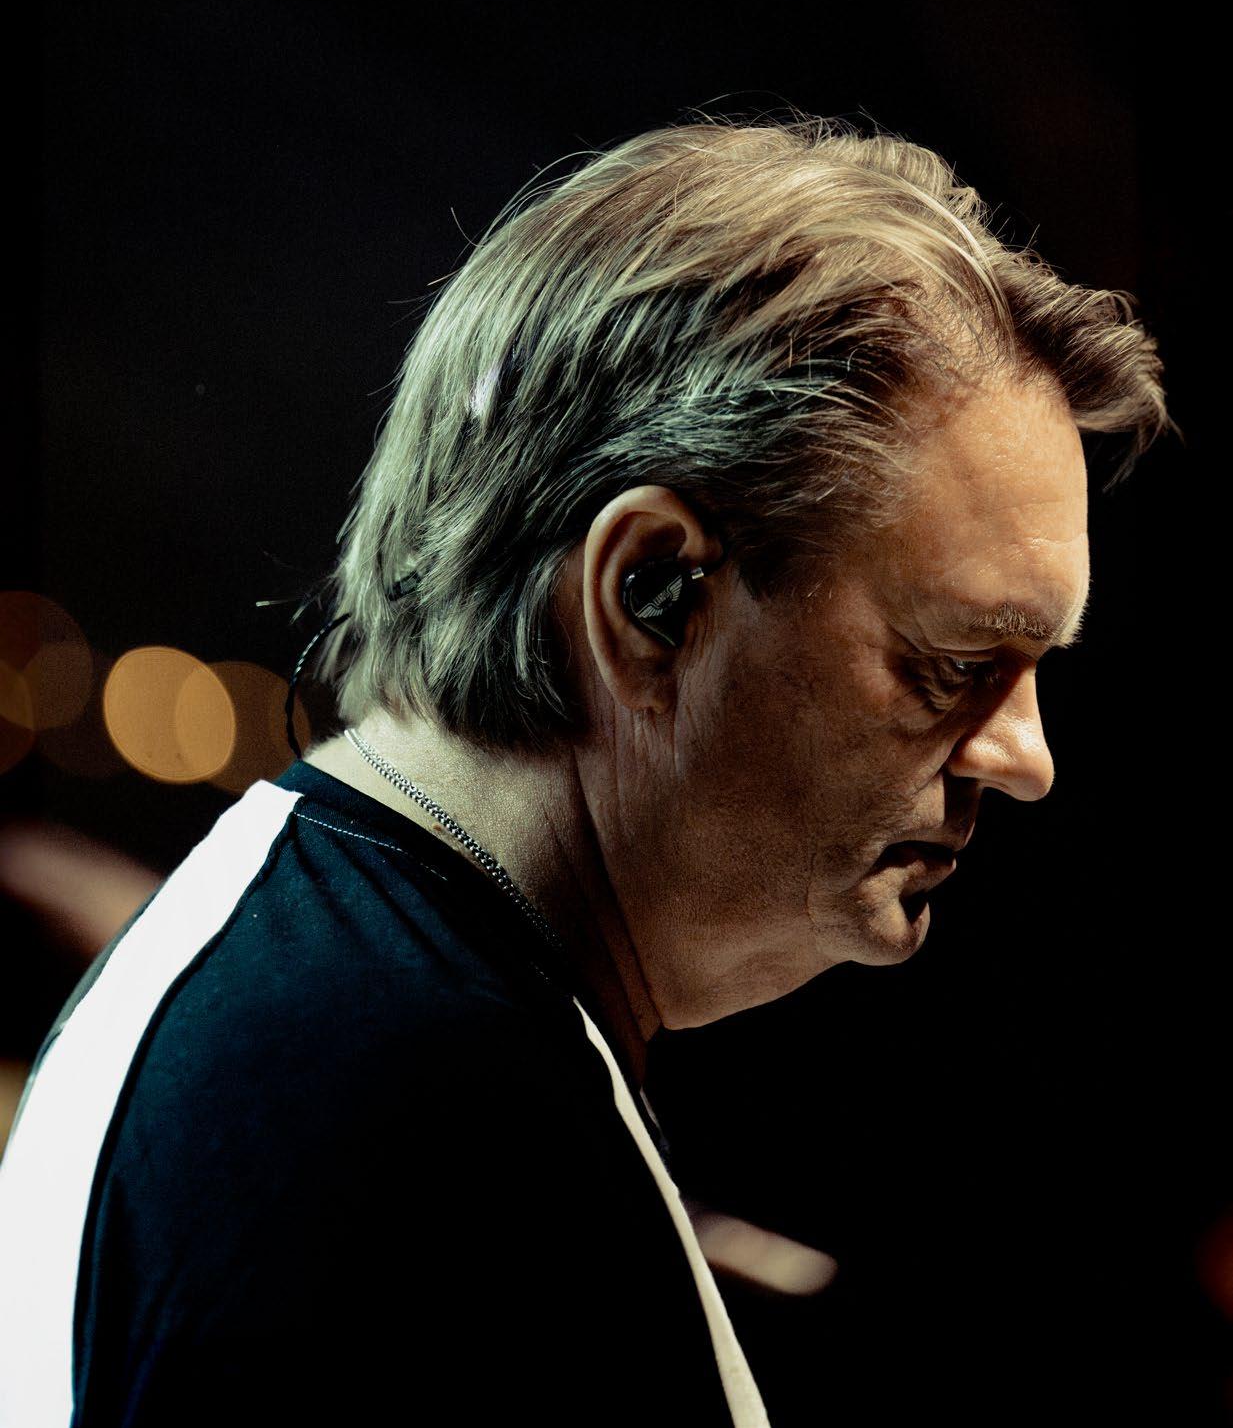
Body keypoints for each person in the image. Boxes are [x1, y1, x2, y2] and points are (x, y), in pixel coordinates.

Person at [0, 112, 1168, 1427]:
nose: (1026, 761)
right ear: (653, 596)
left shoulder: (315, 963)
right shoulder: (448, 1152)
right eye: (954, 663)